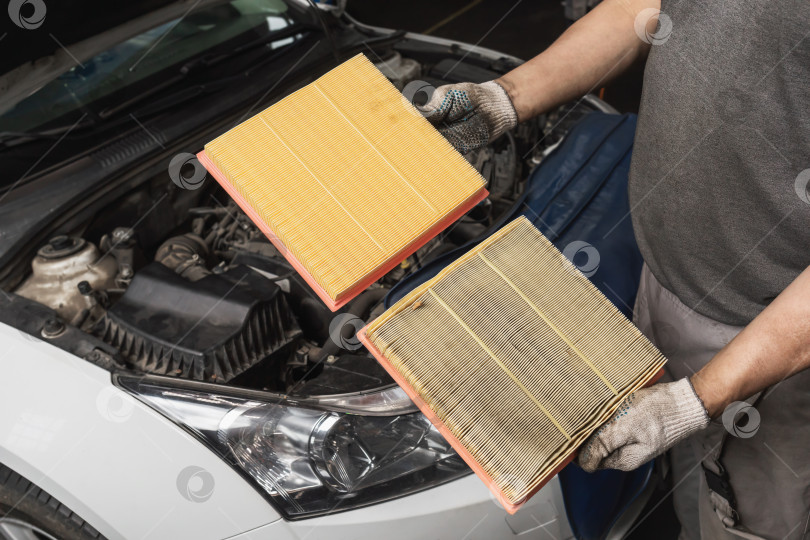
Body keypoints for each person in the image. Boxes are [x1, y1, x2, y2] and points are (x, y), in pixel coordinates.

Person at [419, 1, 810, 539]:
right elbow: (646, 6)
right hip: (661, 280)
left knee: (750, 520)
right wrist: (505, 99)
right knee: (689, 496)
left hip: (770, 347)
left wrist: (697, 398)